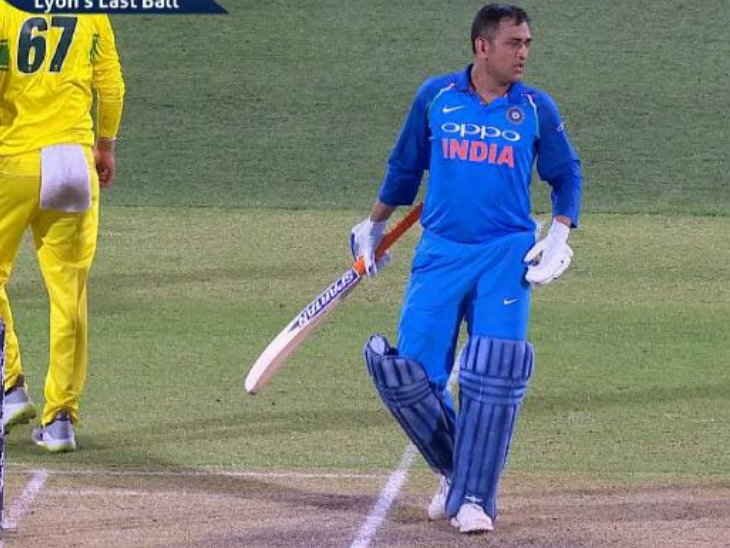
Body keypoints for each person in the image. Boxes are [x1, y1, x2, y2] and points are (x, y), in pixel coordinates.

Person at [351, 4, 582, 534]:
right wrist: (373, 225)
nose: (523, 53)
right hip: (440, 254)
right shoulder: (436, 97)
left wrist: (559, 233)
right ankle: (457, 471)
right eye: (514, 43)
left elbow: (566, 173)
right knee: (408, 376)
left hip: (505, 256)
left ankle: (476, 498)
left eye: (527, 43)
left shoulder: (536, 107)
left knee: (495, 372)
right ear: (482, 46)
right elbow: (405, 166)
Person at [0, 6, 125, 452]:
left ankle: (10, 385)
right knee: (68, 293)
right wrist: (105, 146)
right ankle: (60, 420)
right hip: (73, 162)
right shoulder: (92, 12)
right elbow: (111, 86)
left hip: (13, 161)